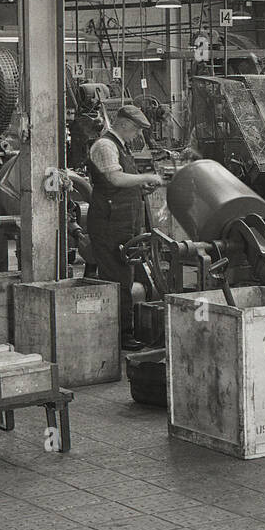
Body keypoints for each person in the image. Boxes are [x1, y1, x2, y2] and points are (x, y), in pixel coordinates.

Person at [87, 104, 162, 349]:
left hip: (123, 223)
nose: (137, 135)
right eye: (136, 130)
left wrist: (140, 187)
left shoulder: (121, 146)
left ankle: (120, 331)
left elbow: (122, 183)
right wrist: (146, 178)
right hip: (109, 224)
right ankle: (121, 336)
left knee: (126, 277)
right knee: (117, 279)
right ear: (124, 125)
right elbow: (114, 179)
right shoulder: (105, 146)